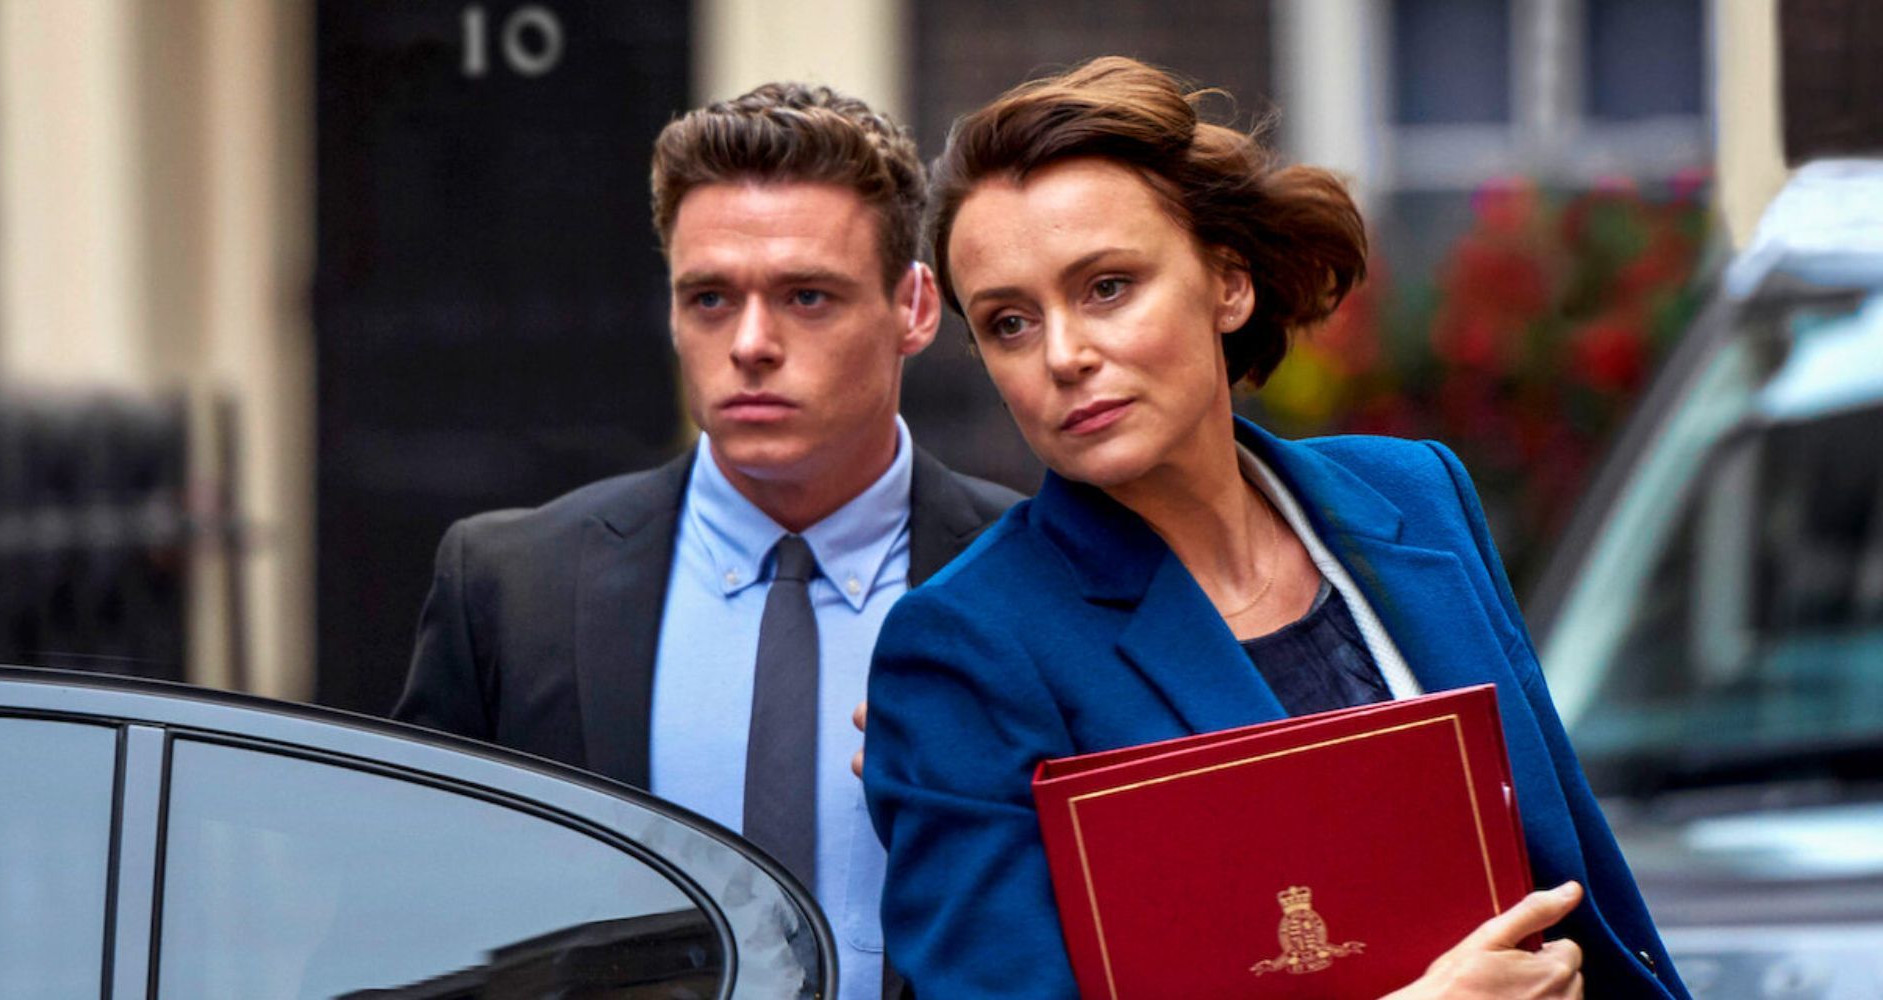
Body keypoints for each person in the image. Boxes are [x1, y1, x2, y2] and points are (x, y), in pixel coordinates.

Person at [861, 56, 1690, 999]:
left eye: (1107, 287)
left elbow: (1581, 876)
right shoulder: (967, 648)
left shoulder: (1416, 496)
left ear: (1228, 284)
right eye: (1010, 322)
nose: (1064, 354)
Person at [394, 82, 1020, 1000]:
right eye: (711, 298)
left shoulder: (1031, 578)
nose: (752, 342)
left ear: (915, 307)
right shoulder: (513, 586)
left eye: (808, 296)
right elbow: (410, 925)